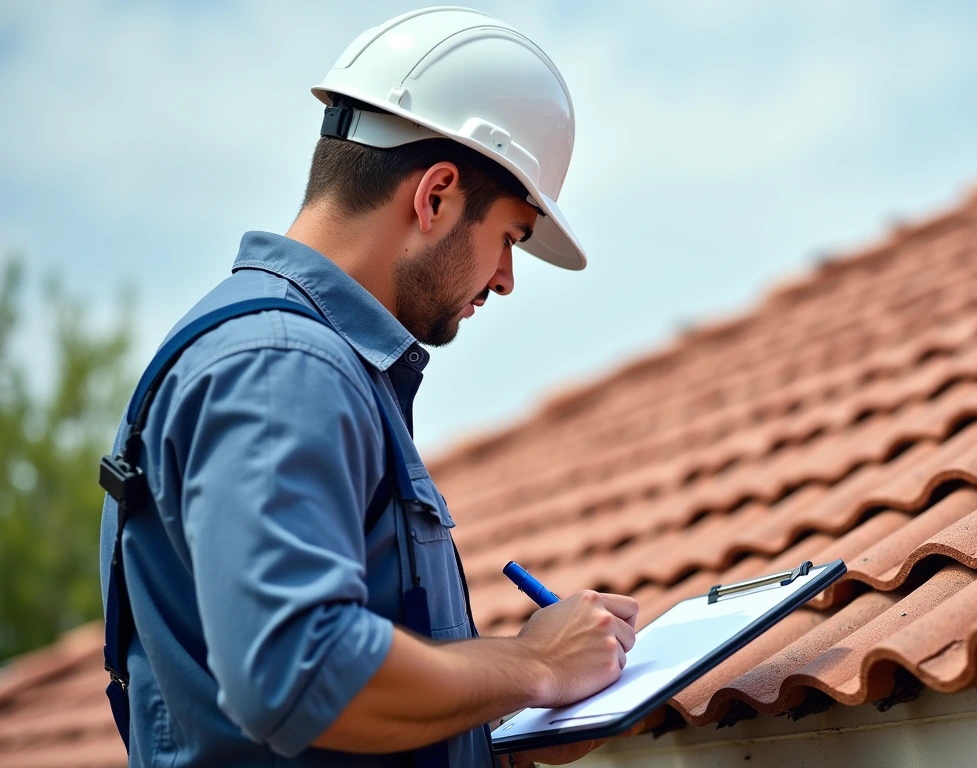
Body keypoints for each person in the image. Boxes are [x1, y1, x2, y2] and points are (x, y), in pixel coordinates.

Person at [98, 8, 635, 767]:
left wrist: (489, 731)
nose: (508, 279)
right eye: (510, 237)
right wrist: (536, 668)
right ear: (436, 195)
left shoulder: (279, 356)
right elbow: (300, 669)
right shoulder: (283, 366)